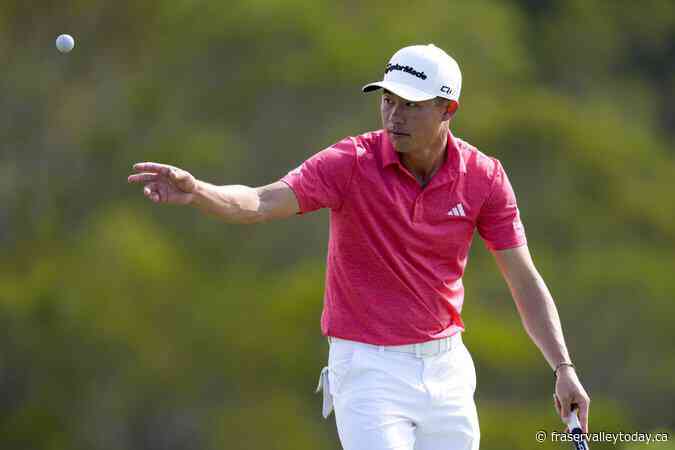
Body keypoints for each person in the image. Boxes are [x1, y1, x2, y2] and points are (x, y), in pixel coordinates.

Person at [127, 44, 590, 450]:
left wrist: (562, 366)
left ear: (448, 110)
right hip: (369, 370)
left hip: (448, 368)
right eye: (388, 100)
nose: (394, 115)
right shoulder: (350, 162)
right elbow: (262, 201)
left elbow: (522, 277)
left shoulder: (484, 177)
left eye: (410, 104)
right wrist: (199, 191)